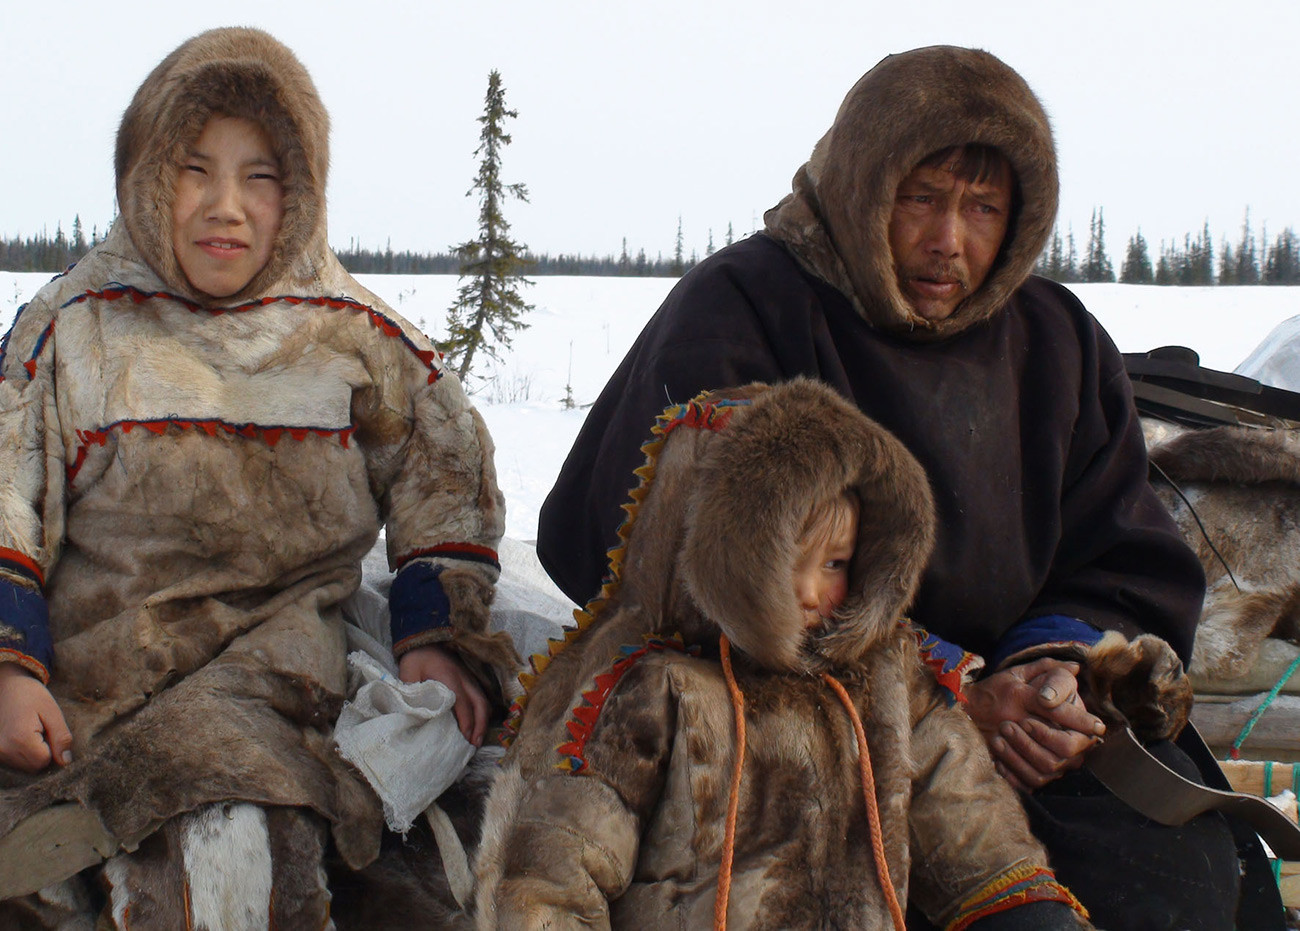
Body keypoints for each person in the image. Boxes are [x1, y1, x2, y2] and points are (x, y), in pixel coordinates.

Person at [537, 46, 1269, 929]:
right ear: (863, 182)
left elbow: (1120, 552)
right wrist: (948, 685)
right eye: (920, 198)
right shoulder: (745, 308)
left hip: (1023, 725)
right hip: (801, 725)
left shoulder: (1057, 342)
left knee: (1184, 880)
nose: (947, 241)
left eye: (983, 208)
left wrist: (1057, 668)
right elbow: (690, 568)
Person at [0, 27, 515, 927]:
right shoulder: (70, 329)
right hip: (102, 661)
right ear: (147, 172)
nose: (224, 206)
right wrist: (11, 663)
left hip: (276, 658)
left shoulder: (355, 335)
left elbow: (445, 477)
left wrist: (437, 629)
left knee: (234, 830)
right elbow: (8, 486)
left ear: (301, 191)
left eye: (260, 176)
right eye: (195, 169)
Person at [476, 378, 1092, 929]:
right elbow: (560, 870)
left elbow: (967, 818)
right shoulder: (657, 692)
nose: (808, 593)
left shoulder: (888, 681)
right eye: (779, 562)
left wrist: (1027, 912)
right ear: (710, 555)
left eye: (835, 565)